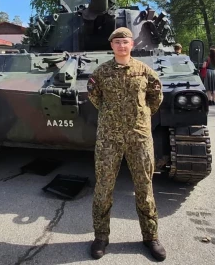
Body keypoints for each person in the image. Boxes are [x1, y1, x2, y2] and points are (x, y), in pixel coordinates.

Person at [87, 27, 166, 261]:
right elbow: (95, 97)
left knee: (144, 187)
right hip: (109, 138)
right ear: (112, 45)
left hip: (139, 137)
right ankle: (101, 237)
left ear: (132, 45)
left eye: (126, 42)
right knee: (103, 188)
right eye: (117, 42)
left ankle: (151, 237)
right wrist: (113, 117)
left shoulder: (145, 72)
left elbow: (156, 97)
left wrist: (140, 116)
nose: (122, 45)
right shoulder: (100, 73)